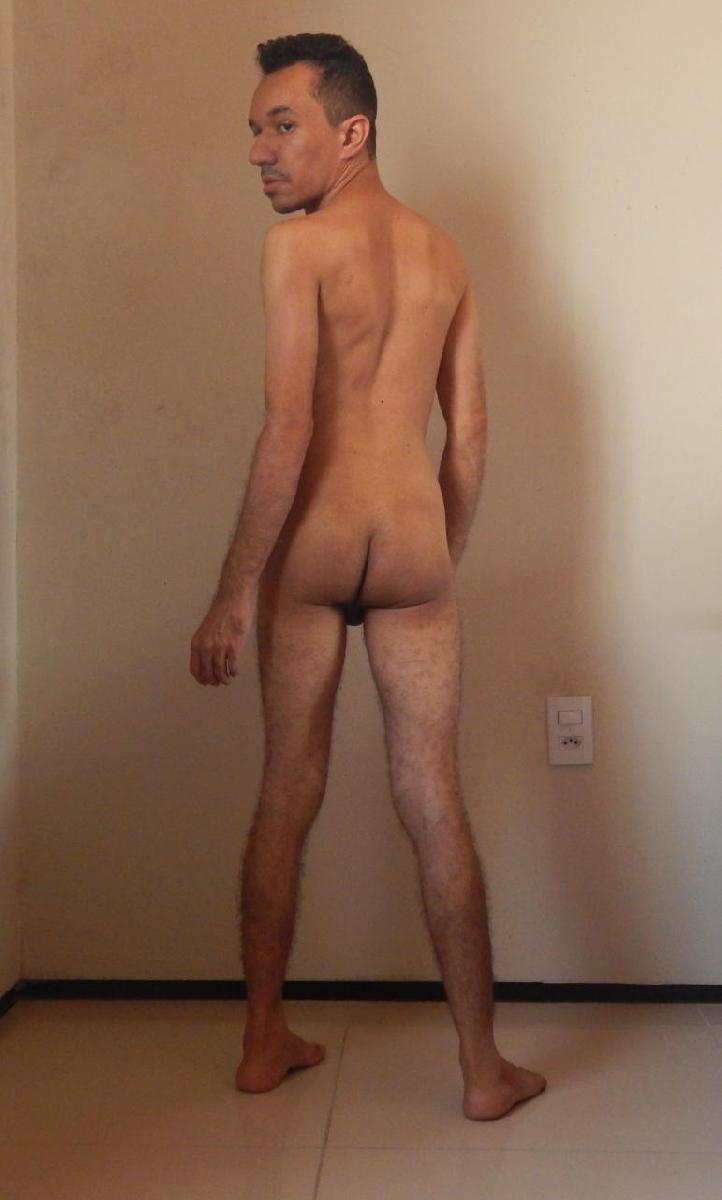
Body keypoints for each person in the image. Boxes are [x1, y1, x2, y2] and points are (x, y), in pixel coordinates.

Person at [189, 32, 546, 1121]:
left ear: (353, 131)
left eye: (280, 124)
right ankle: (483, 1069)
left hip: (314, 545)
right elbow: (468, 439)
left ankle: (263, 1041)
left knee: (286, 791)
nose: (259, 150)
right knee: (433, 797)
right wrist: (440, 556)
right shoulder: (444, 255)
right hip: (412, 546)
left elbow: (288, 429)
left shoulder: (297, 248)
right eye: (254, 130)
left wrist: (231, 592)